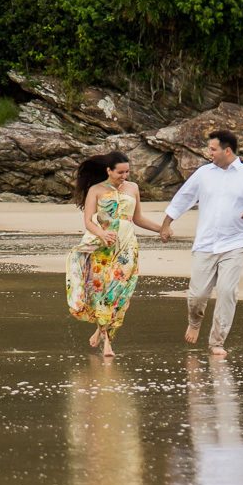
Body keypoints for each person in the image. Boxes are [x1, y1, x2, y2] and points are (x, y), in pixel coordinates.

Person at [158, 130, 243, 356]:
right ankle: (195, 321)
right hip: (205, 244)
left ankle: (217, 342)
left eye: (213, 149)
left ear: (227, 151)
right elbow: (183, 198)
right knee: (197, 296)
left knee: (226, 291)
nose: (209, 153)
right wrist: (166, 224)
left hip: (235, 244)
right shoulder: (204, 174)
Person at [66, 151, 164, 358]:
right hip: (102, 248)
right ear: (108, 170)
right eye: (120, 172)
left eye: (127, 172)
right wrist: (102, 233)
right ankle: (107, 343)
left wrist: (161, 229)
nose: (124, 176)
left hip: (127, 247)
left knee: (120, 294)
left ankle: (101, 330)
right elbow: (88, 222)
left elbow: (137, 218)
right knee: (104, 292)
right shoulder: (96, 190)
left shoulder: (133, 188)